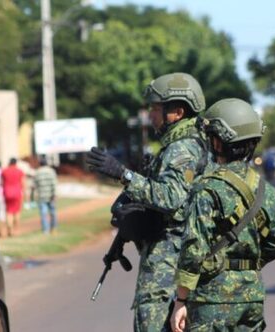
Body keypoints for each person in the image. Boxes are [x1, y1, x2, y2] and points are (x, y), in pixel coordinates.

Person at [86, 72, 210, 331]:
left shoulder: (182, 148)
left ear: (177, 111)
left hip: (169, 261)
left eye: (155, 108)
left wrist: (124, 174)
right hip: (170, 255)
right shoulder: (177, 144)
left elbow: (171, 197)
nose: (150, 115)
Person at [170, 98, 275, 332]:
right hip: (251, 297)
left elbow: (194, 250)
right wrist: (246, 268)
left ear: (218, 140)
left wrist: (181, 300)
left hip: (211, 300)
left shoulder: (206, 189)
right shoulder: (265, 189)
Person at [32, 157, 58, 234]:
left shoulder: (37, 172)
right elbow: (54, 184)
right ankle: (54, 228)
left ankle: (45, 230)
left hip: (41, 196)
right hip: (51, 195)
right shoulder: (51, 171)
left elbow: (34, 185)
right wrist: (55, 194)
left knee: (43, 213)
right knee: (53, 212)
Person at [1, 157, 26, 237]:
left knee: (9, 212)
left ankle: (10, 230)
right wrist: (24, 193)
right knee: (17, 211)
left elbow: (2, 183)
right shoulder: (19, 171)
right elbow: (23, 183)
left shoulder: (4, 171)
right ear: (16, 163)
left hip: (7, 193)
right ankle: (16, 230)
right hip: (17, 193)